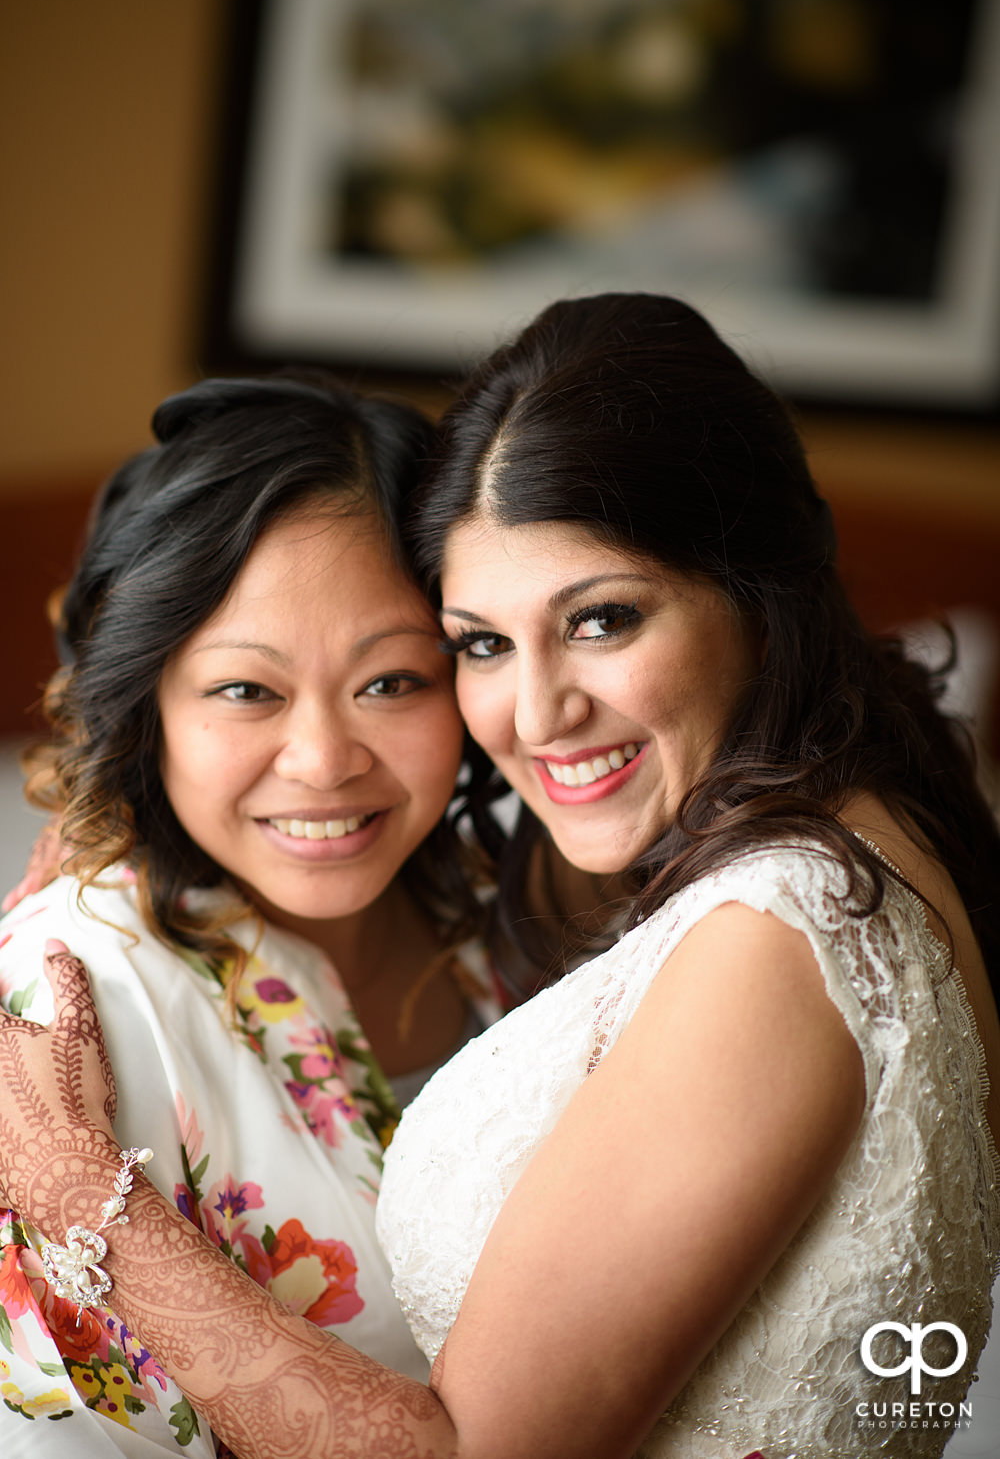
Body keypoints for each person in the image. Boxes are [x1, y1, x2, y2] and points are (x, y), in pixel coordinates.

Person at [1, 291, 999, 1459]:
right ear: (145, 707)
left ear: (757, 595)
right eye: (481, 642)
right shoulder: (73, 997)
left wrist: (81, 1196)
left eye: (603, 619)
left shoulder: (750, 927)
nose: (536, 716)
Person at [0, 373, 503, 1456]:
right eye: (246, 691)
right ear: (148, 706)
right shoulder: (67, 1006)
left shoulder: (507, 920)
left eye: (393, 682)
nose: (324, 760)